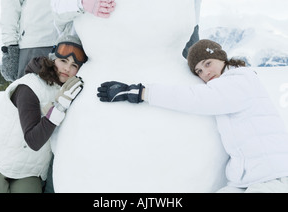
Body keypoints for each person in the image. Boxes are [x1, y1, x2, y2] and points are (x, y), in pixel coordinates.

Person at [97, 39, 288, 193]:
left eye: (208, 63)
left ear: (222, 59)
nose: (205, 73)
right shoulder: (228, 87)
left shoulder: (239, 80)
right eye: (199, 71)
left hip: (275, 175)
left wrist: (142, 92)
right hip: (248, 179)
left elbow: (195, 99)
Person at [0, 33, 87, 193]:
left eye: (74, 65)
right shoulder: (29, 86)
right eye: (63, 61)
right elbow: (33, 140)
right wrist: (59, 108)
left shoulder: (64, 90)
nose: (67, 68)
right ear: (52, 58)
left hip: (29, 170)